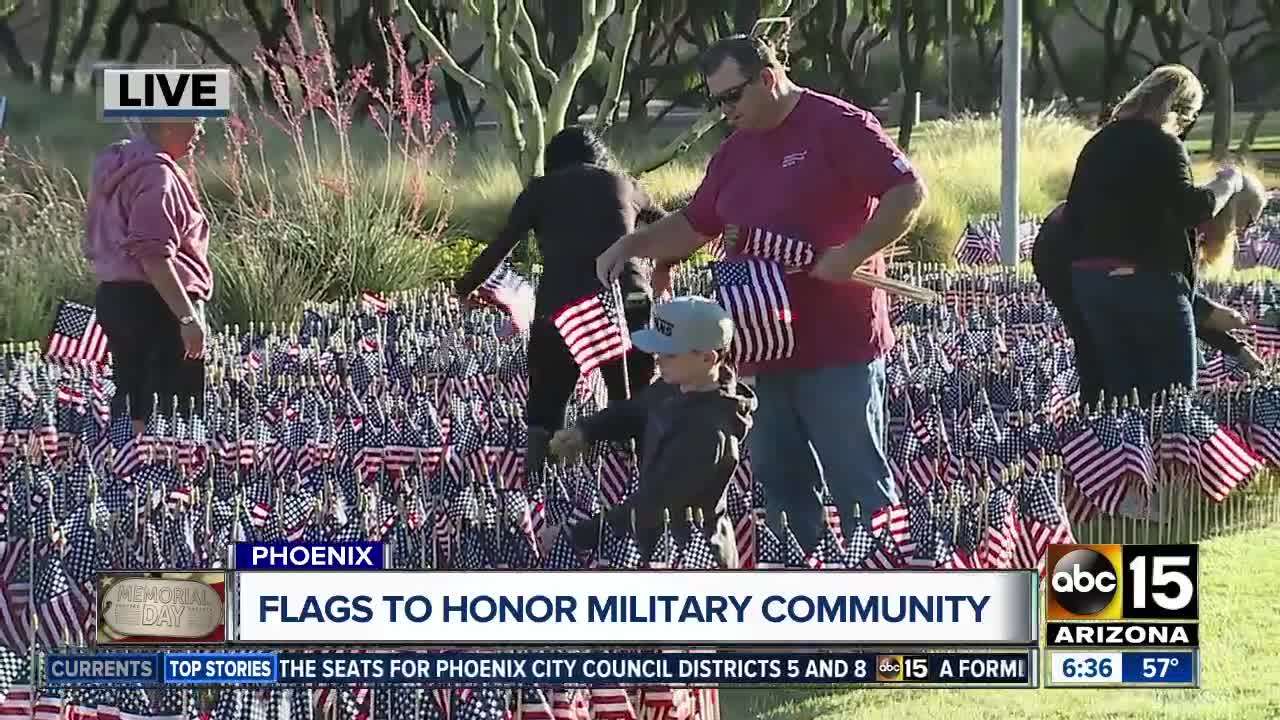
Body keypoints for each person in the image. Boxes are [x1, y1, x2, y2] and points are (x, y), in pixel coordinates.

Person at [594, 35, 928, 550]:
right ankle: (801, 601)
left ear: (768, 78)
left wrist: (854, 252)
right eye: (715, 101)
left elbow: (908, 191)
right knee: (781, 482)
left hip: (838, 346)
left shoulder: (840, 125)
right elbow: (696, 223)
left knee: (857, 483)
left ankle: (881, 604)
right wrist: (635, 243)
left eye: (731, 97)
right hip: (759, 347)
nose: (724, 111)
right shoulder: (734, 152)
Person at [454, 126, 662, 470]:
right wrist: (665, 262)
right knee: (632, 396)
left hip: (562, 307)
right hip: (627, 298)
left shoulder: (540, 190)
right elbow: (667, 224)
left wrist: (463, 288)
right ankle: (638, 476)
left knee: (548, 401)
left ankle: (543, 484)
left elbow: (501, 247)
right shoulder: (624, 184)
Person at [1064, 64, 1245, 403]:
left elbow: (1073, 214)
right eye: (1188, 119)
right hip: (1148, 281)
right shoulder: (1163, 145)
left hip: (1093, 284)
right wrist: (1227, 183)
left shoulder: (1098, 143)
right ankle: (1167, 457)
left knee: (1124, 398)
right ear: (1177, 109)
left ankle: (1130, 456)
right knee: (1173, 400)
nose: (1185, 129)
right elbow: (1192, 208)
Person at [547, 296, 756, 568]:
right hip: (658, 544)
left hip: (690, 556)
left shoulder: (708, 430)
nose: (657, 359)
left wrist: (578, 535)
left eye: (669, 353)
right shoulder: (676, 386)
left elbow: (654, 505)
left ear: (708, 358)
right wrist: (585, 430)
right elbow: (635, 411)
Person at [1035, 169, 1266, 402]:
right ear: (1234, 207)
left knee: (1101, 352)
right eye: (1249, 220)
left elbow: (1171, 296)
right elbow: (1163, 289)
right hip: (1063, 250)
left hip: (1067, 248)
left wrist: (1234, 346)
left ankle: (1108, 417)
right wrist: (1208, 313)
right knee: (1099, 350)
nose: (1244, 232)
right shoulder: (1185, 216)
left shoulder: (1188, 221)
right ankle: (1112, 421)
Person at [84, 119, 212, 437]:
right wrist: (187, 318)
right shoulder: (158, 177)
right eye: (195, 124)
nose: (200, 133)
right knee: (169, 418)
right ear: (168, 126)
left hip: (116, 297)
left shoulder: (117, 163)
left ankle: (126, 477)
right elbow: (154, 257)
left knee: (131, 404)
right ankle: (161, 483)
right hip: (159, 304)